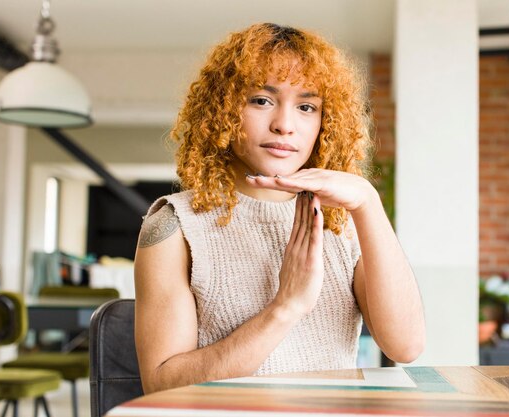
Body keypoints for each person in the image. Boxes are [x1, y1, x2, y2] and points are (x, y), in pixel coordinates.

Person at [134, 22, 425, 394]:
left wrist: (367, 202)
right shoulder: (174, 225)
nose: (284, 125)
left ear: (325, 122)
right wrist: (284, 307)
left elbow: (407, 345)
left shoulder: (342, 221)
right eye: (261, 100)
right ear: (222, 111)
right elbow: (161, 385)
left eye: (307, 106)